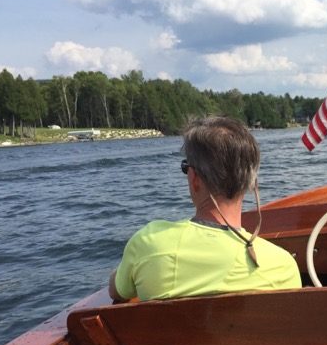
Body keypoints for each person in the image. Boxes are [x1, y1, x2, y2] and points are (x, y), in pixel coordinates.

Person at [109, 116, 301, 302]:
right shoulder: (283, 268)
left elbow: (116, 291)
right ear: (252, 182)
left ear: (194, 178)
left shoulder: (149, 244)